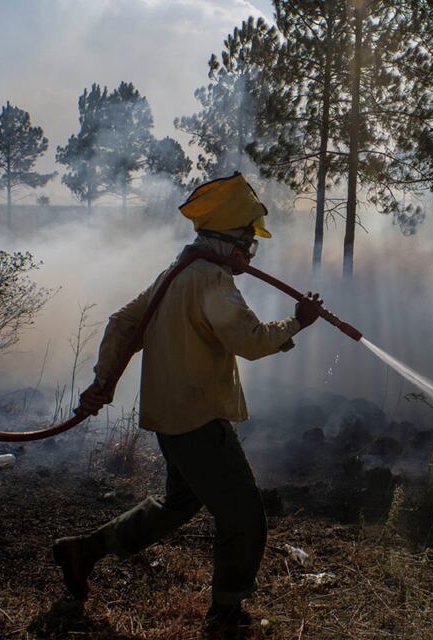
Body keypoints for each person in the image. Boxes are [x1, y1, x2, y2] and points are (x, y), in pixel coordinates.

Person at [52, 173, 323, 637]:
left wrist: (104, 381)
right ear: (227, 241)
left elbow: (121, 323)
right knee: (244, 517)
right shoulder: (210, 279)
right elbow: (251, 341)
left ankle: (85, 551)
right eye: (247, 242)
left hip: (170, 417)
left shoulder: (174, 274)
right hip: (199, 420)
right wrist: (297, 323)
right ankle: (227, 616)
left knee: (179, 503)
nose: (250, 253)